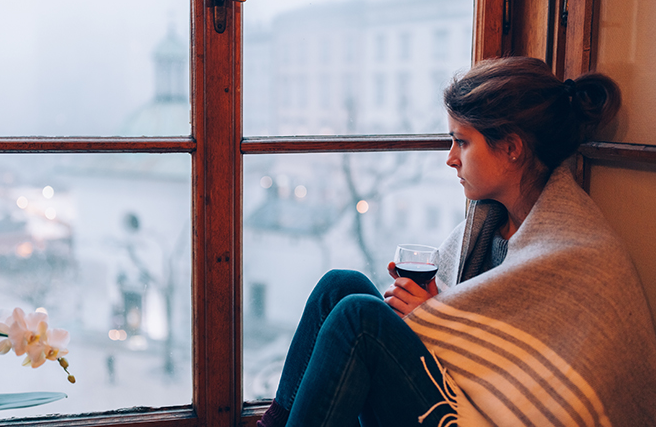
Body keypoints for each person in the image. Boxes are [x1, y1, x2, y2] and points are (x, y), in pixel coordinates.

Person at [257, 57, 656, 427]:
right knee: (339, 287)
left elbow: (540, 385)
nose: (450, 158)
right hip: (457, 395)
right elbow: (481, 329)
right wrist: (439, 308)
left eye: (461, 141)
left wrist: (436, 316)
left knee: (358, 319)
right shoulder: (490, 224)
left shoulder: (581, 252)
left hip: (488, 416)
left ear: (512, 148)